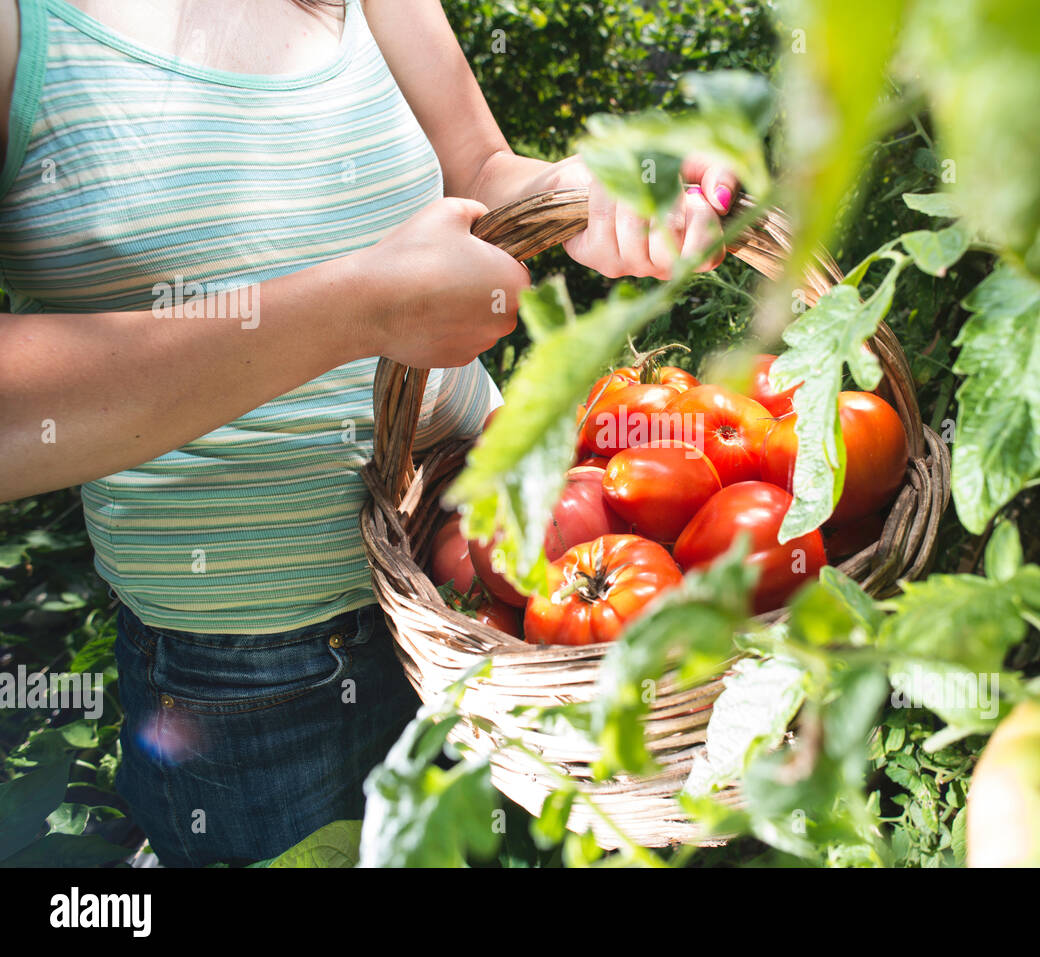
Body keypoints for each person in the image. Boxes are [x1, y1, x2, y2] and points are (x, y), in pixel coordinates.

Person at [0, 0, 737, 866]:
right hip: (256, 686)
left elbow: (485, 168)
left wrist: (580, 193)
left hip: (493, 585)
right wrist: (363, 309)